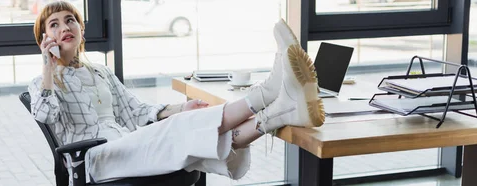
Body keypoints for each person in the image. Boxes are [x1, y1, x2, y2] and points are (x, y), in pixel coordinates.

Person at [28, 1, 325, 184]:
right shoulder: (44, 82)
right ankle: (267, 94)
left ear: (81, 29)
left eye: (70, 20)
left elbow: (136, 111)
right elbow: (45, 113)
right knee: (179, 132)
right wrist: (47, 66)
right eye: (54, 24)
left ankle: (277, 113)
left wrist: (181, 109)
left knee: (191, 135)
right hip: (95, 160)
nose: (64, 27)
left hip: (125, 145)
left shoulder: (101, 72)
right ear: (45, 38)